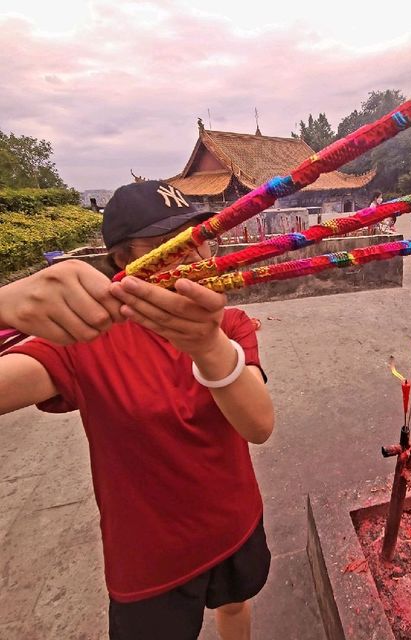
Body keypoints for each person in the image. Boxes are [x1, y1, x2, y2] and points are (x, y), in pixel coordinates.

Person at [0, 181, 274, 640]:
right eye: (170, 248)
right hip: (149, 558)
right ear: (126, 261)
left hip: (234, 520)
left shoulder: (230, 324)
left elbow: (259, 425)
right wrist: (3, 306)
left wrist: (207, 345)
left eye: (199, 239)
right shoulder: (83, 339)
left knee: (235, 605)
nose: (196, 259)